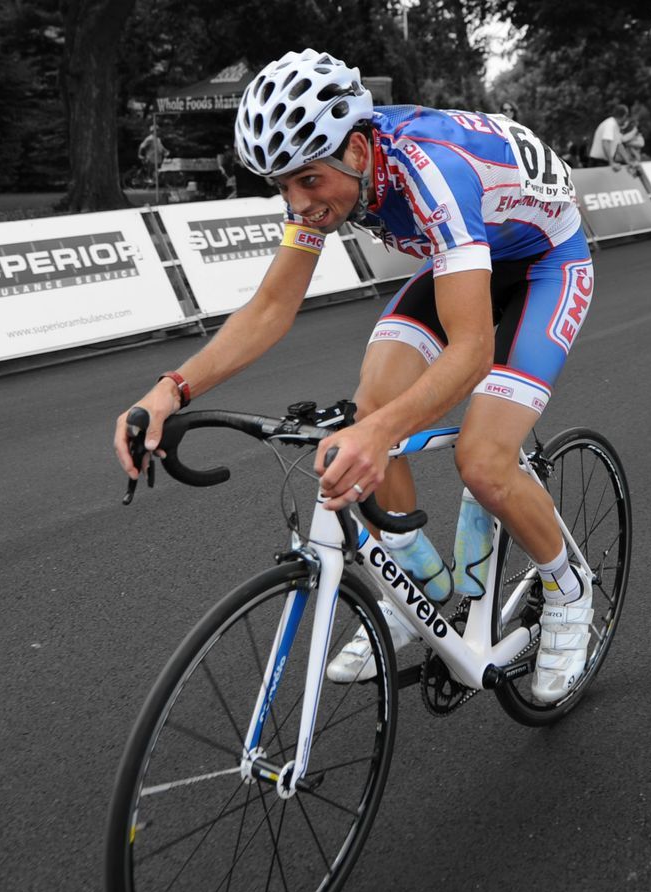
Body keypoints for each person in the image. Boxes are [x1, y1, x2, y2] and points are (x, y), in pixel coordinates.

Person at [112, 49, 599, 703]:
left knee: (483, 461)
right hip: (469, 252)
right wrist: (168, 390)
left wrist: (379, 435)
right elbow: (271, 307)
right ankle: (419, 594)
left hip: (545, 264)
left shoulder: (431, 172)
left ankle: (569, 591)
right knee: (373, 405)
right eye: (282, 185)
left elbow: (473, 350)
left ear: (362, 151)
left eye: (308, 181)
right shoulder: (326, 180)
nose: (298, 203)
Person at [588, 103, 629, 168]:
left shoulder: (616, 126)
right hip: (598, 162)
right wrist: (611, 162)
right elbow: (605, 143)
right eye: (626, 116)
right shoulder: (610, 124)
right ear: (624, 116)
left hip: (603, 162)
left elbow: (619, 146)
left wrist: (629, 162)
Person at [137, 122, 168, 190]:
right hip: (151, 158)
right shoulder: (150, 138)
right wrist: (140, 154)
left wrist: (166, 151)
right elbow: (142, 146)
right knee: (151, 172)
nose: (158, 132)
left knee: (157, 172)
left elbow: (161, 148)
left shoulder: (158, 139)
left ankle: (153, 184)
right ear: (153, 131)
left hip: (158, 158)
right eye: (157, 130)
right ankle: (147, 185)